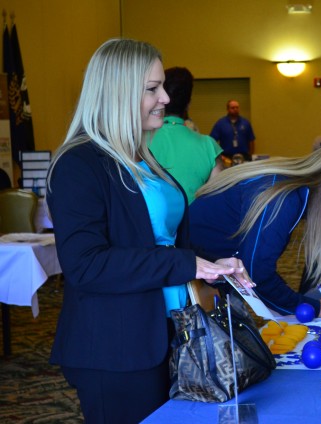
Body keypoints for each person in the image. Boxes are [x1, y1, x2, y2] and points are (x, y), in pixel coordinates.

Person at [46, 38, 252, 424]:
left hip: (170, 334)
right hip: (116, 347)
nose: (165, 99)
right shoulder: (79, 163)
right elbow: (86, 266)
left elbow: (166, 241)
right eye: (151, 89)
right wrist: (185, 264)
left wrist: (211, 265)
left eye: (162, 87)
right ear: (118, 92)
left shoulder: (142, 158)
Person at [189, 143, 321, 317]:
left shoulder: (285, 186)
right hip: (190, 280)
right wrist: (312, 307)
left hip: (203, 272)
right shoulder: (283, 198)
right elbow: (258, 274)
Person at [149, 66, 223, 204]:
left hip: (148, 223)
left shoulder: (138, 140)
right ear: (188, 104)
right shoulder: (209, 146)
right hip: (193, 223)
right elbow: (217, 199)